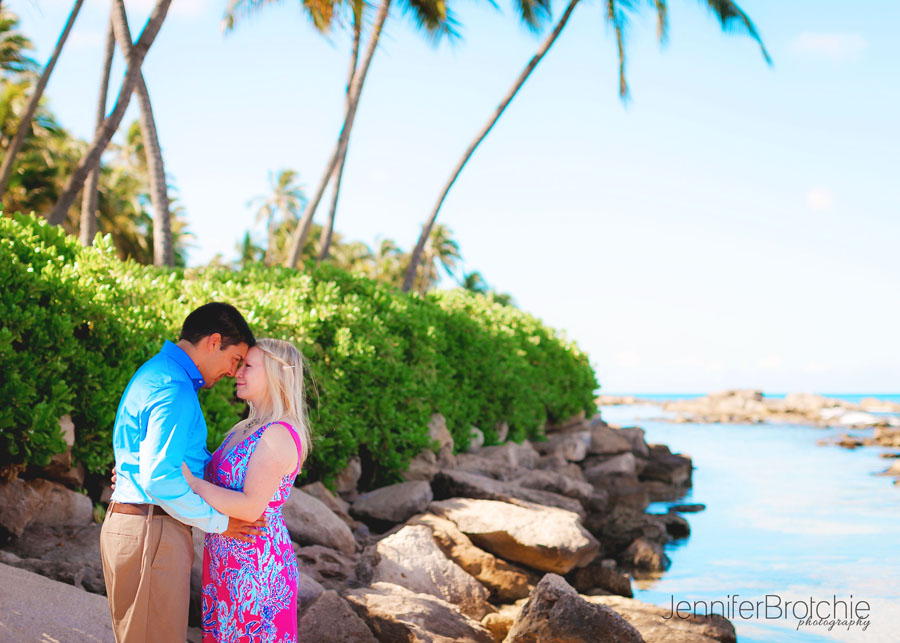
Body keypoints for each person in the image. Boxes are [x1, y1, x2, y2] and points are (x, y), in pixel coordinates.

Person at [100, 302, 264, 643]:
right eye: (235, 359)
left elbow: (151, 466)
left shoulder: (157, 372)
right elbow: (159, 478)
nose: (233, 372)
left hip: (145, 526)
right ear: (214, 341)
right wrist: (220, 523)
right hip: (153, 530)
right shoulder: (173, 387)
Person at [182, 338, 312, 643]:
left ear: (275, 374)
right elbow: (206, 474)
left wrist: (194, 484)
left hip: (255, 568)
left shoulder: (278, 434)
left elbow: (251, 507)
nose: (237, 372)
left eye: (248, 366)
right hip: (226, 561)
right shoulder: (244, 428)